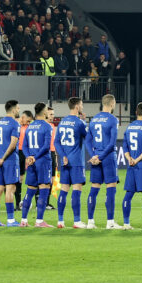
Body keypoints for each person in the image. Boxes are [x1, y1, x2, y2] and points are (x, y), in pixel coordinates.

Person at [87, 94, 120, 229]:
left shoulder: (94, 119)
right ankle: (110, 222)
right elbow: (112, 143)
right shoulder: (112, 119)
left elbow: (88, 140)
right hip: (107, 158)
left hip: (96, 157)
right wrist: (100, 157)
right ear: (112, 104)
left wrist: (94, 155)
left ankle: (90, 222)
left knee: (94, 189)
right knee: (111, 188)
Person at [121, 102, 142, 230]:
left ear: (136, 112)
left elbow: (125, 146)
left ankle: (126, 224)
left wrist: (130, 159)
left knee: (128, 195)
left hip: (131, 166)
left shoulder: (129, 127)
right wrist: (137, 160)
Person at [55, 97, 88, 228]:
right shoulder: (79, 123)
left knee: (63, 190)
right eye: (81, 105)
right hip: (76, 161)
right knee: (76, 190)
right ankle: (77, 221)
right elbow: (87, 136)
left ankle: (60, 221)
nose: (82, 107)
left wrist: (62, 156)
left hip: (65, 161)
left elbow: (56, 142)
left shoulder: (62, 122)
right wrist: (84, 122)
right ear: (77, 107)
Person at [19, 103, 53, 228]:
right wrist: (35, 157)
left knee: (30, 189)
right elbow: (46, 146)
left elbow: (24, 146)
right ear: (44, 112)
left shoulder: (30, 126)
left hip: (31, 162)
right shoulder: (47, 126)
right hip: (42, 161)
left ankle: (23, 220)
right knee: (44, 189)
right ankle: (39, 221)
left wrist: (29, 157)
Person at [0, 101, 21, 227]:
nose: (19, 110)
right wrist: (2, 159)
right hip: (10, 161)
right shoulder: (15, 124)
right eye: (18, 108)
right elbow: (13, 144)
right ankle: (10, 220)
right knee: (10, 189)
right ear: (13, 110)